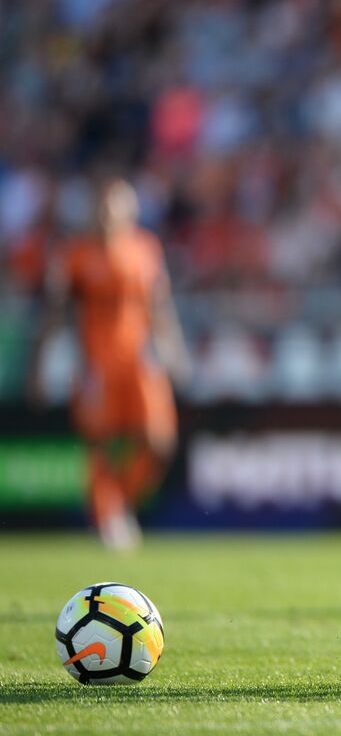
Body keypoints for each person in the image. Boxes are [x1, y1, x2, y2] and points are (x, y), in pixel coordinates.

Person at [29, 178, 189, 551]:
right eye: (101, 207)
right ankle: (108, 515)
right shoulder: (74, 255)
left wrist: (175, 351)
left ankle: (119, 501)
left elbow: (160, 306)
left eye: (115, 207)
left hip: (139, 361)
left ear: (130, 211)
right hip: (96, 367)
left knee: (160, 441)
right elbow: (54, 313)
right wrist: (39, 364)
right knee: (99, 445)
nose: (107, 215)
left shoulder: (146, 249)